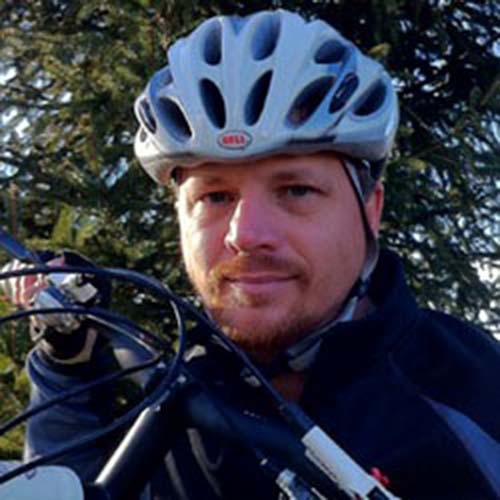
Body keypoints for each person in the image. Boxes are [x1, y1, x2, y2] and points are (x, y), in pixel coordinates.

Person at [2, 8, 500, 499]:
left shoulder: (475, 395)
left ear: (371, 209)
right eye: (215, 196)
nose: (246, 234)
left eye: (296, 190)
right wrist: (66, 362)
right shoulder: (172, 399)